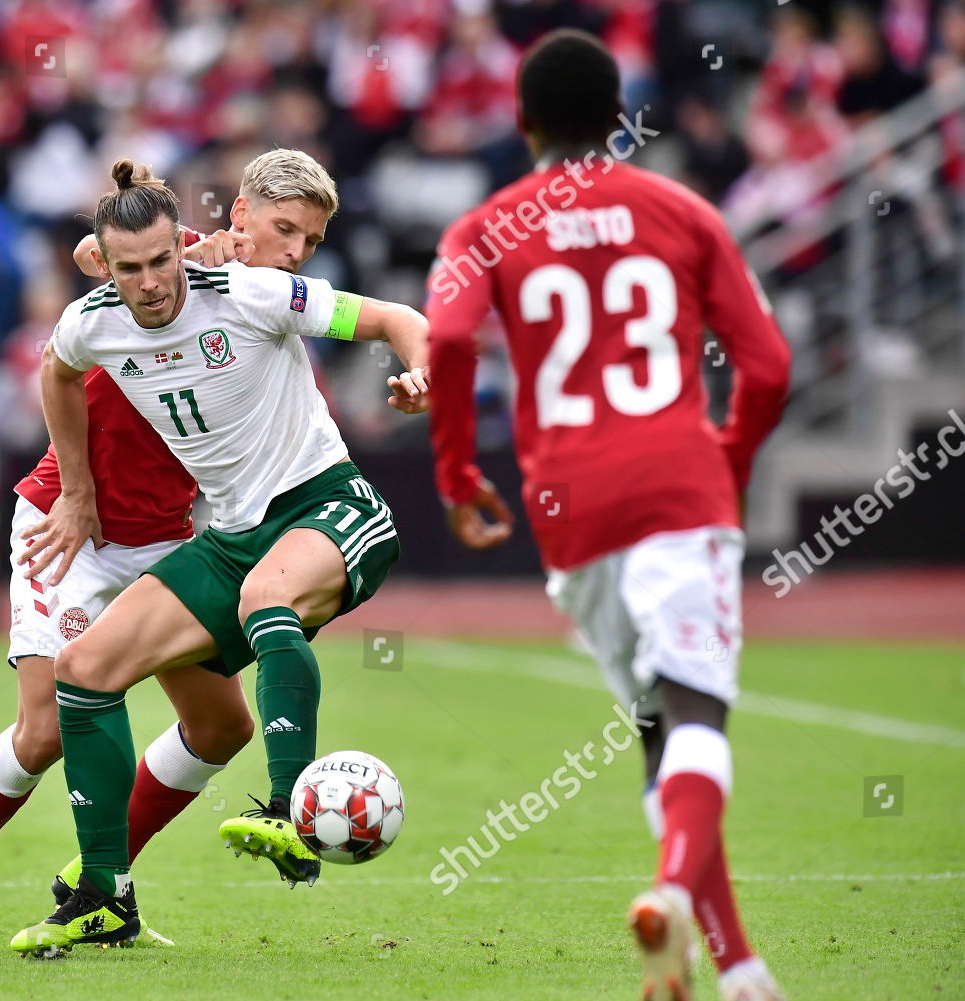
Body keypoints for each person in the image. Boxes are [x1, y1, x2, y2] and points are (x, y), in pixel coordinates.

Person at [427, 30, 791, 1001]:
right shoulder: (681, 209)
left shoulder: (483, 229)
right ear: (620, 117)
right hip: (677, 486)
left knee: (652, 726)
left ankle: (739, 967)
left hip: (569, 509)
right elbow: (770, 365)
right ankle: (673, 888)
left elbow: (451, 336)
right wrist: (729, 461)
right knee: (699, 709)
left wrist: (458, 473)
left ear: (523, 121)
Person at [8, 158, 429, 956]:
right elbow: (57, 371)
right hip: (232, 537)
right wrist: (78, 490)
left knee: (264, 598)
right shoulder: (92, 320)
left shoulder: (250, 291)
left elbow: (395, 317)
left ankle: (290, 811)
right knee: (85, 668)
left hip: (328, 507)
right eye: (130, 267)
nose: (150, 281)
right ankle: (104, 894)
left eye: (162, 261)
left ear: (184, 247)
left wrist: (421, 366)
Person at [0, 149, 345, 954]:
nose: (294, 251)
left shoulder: (265, 311)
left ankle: (101, 885)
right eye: (282, 230)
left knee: (222, 725)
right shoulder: (166, 262)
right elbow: (100, 256)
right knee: (49, 728)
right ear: (241, 219)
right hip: (71, 528)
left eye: (310, 241)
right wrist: (79, 492)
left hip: (164, 537)